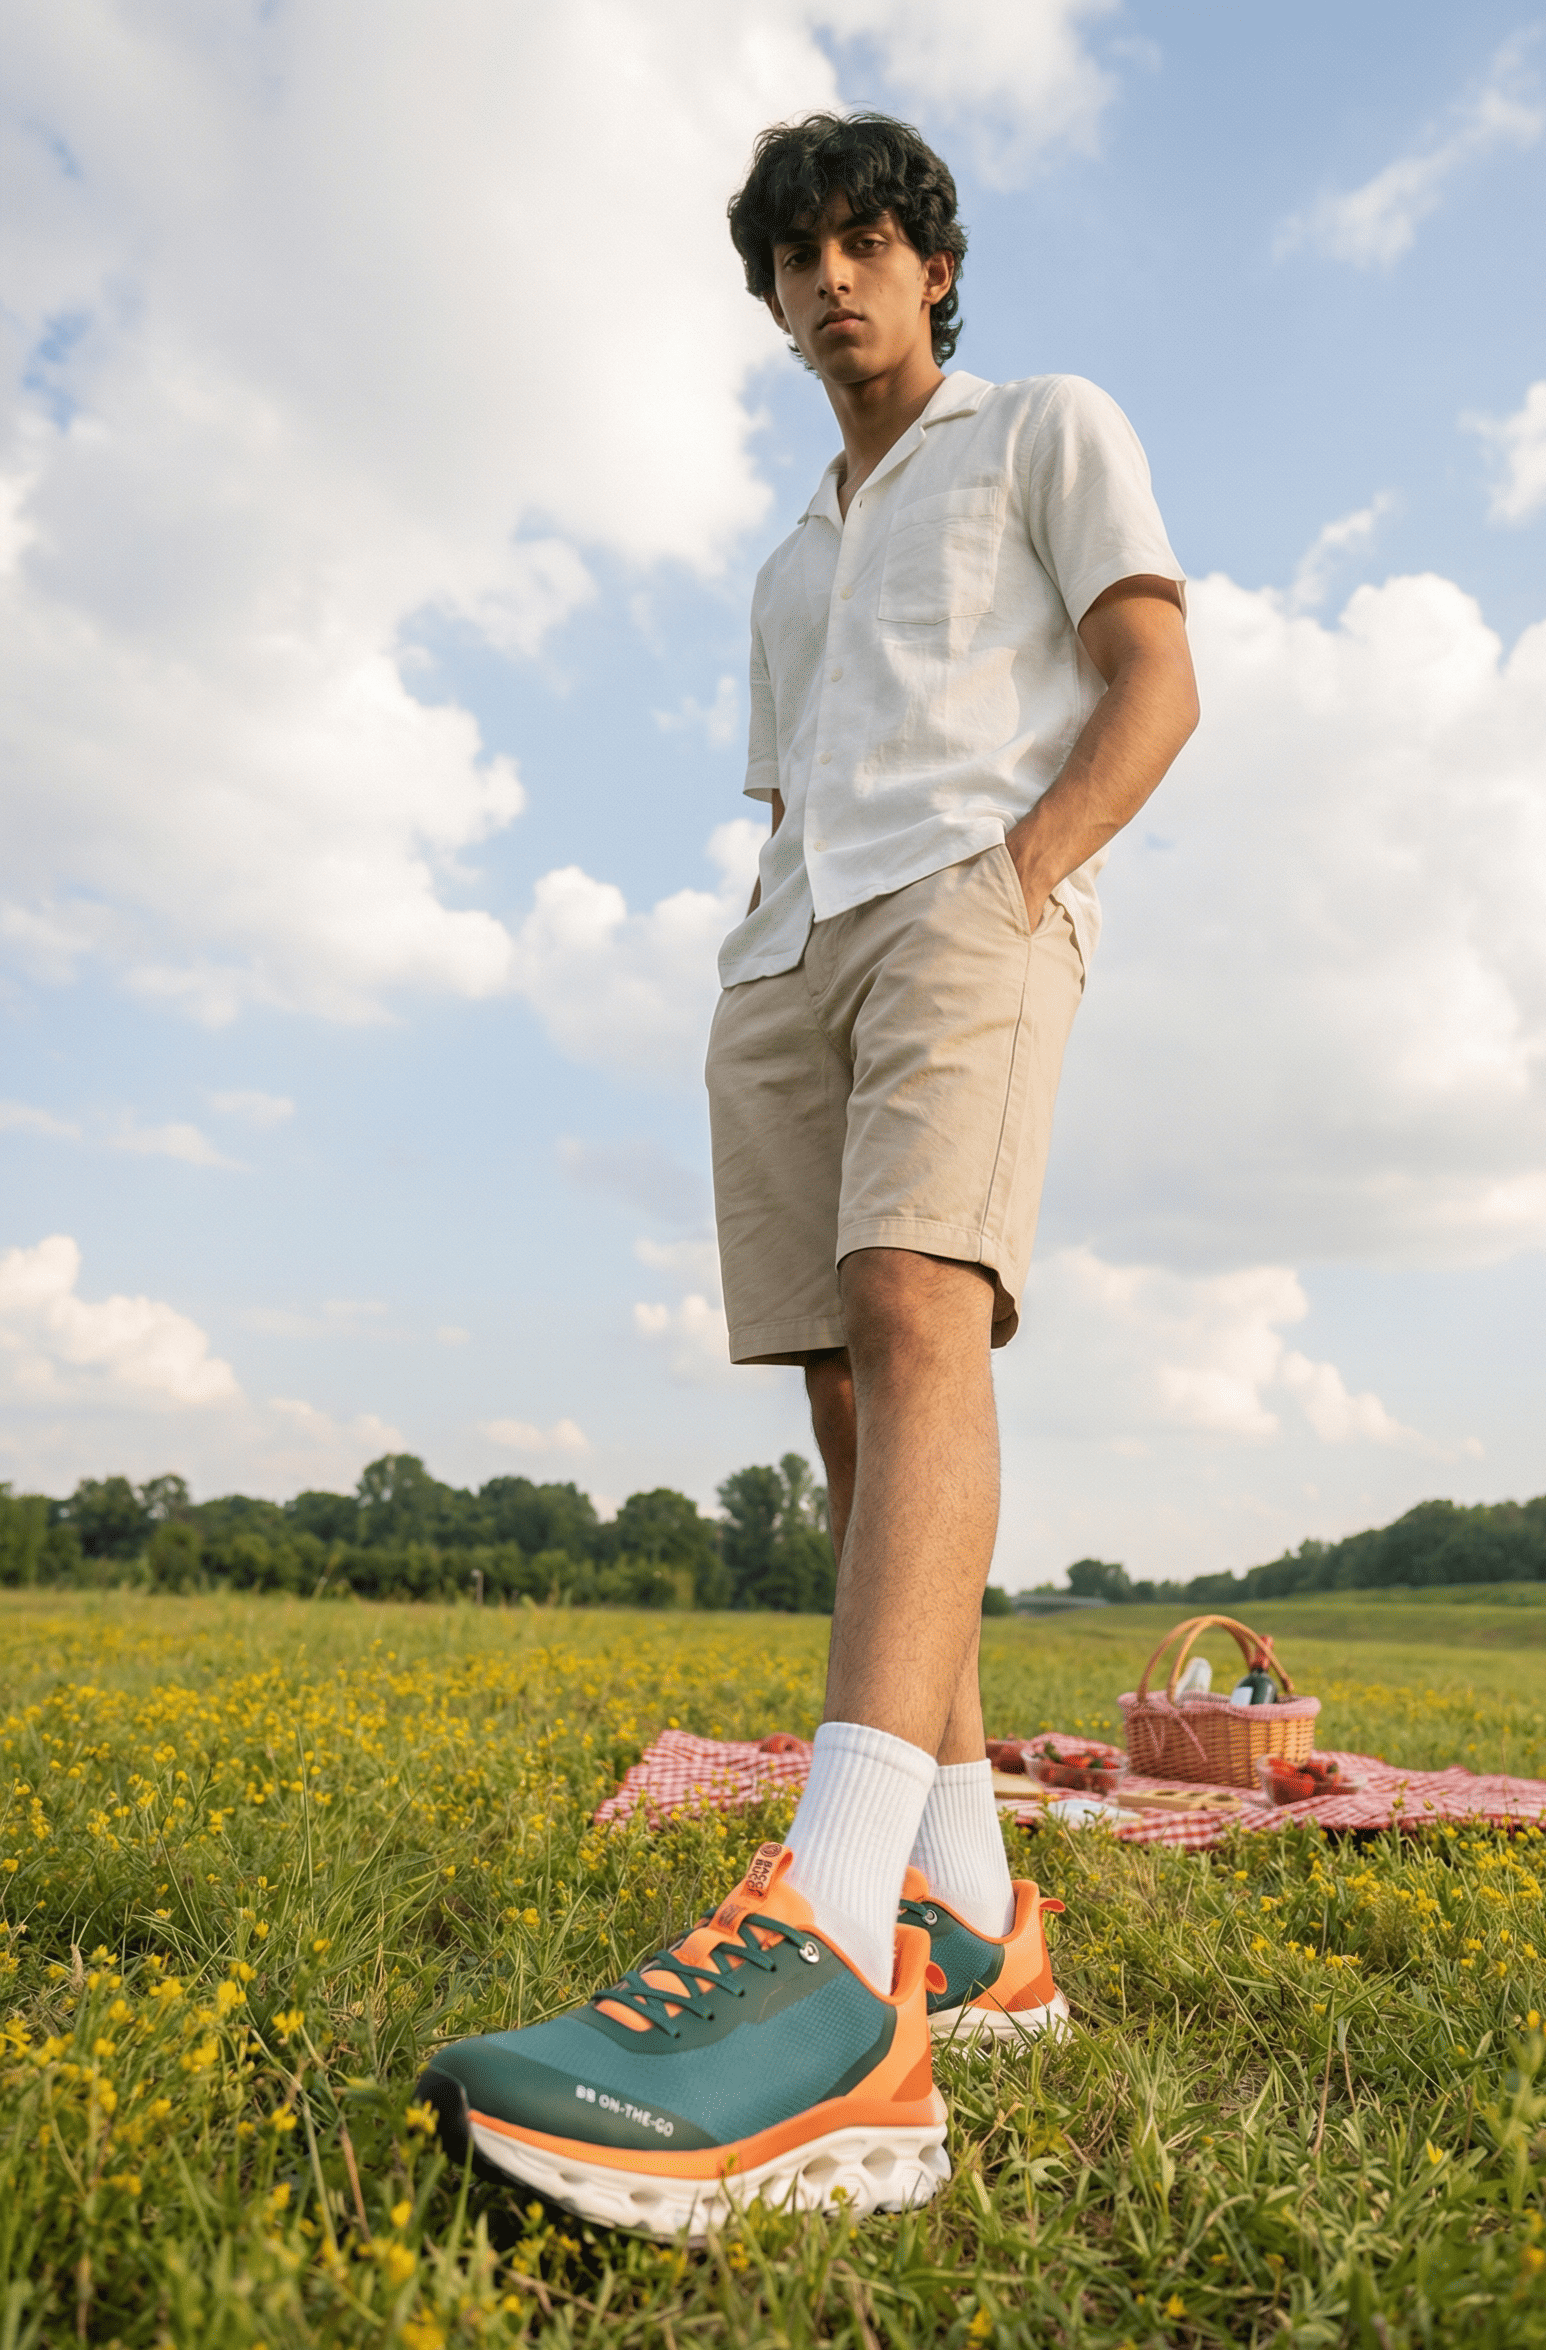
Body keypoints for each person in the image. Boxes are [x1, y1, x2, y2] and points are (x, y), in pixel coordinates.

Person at [416, 111, 1199, 2240]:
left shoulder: (1041, 427)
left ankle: (840, 1945)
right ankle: (979, 1913)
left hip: (968, 895)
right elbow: (789, 797)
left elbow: (1155, 682)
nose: (834, 278)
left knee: (918, 1310)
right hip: (788, 947)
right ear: (770, 300)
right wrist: (761, 950)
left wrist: (1021, 876)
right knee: (845, 1396)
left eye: (868, 241)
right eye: (797, 256)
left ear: (932, 266)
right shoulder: (783, 564)